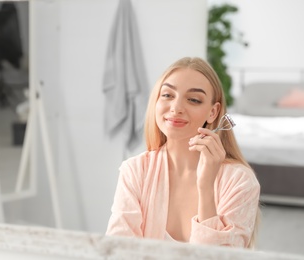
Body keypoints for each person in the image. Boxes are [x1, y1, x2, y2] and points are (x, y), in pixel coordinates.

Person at [106, 57, 260, 248]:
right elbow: (117, 250)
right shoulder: (135, 171)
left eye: (194, 100)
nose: (176, 108)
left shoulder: (239, 181)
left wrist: (206, 187)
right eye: (168, 95)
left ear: (213, 112)